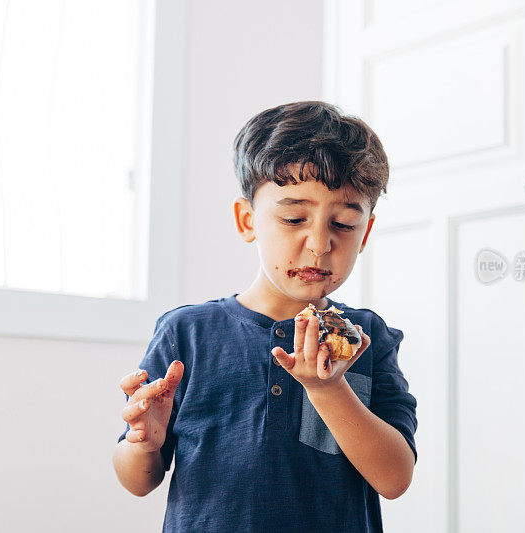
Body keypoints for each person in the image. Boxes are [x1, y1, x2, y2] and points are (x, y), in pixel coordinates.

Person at [112, 101, 418, 532]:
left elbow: (394, 478)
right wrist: (145, 443)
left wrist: (327, 390)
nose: (319, 244)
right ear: (248, 220)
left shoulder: (368, 338)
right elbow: (138, 481)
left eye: (344, 224)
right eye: (294, 218)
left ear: (365, 232)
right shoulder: (188, 333)